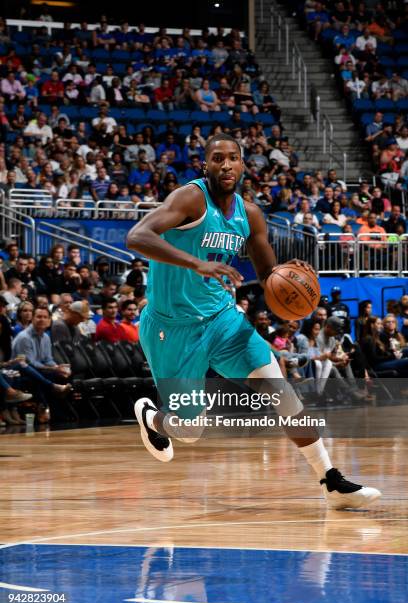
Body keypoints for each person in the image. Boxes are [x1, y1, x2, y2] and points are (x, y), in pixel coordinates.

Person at [126, 133, 380, 509]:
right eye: (217, 158)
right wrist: (196, 263)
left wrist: (292, 277)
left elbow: (267, 276)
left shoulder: (250, 215)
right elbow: (137, 236)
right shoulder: (190, 199)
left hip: (223, 319)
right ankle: (153, 417)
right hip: (172, 326)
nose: (226, 165)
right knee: (191, 430)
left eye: (233, 158)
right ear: (205, 165)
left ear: (244, 165)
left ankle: (330, 481)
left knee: (281, 389)